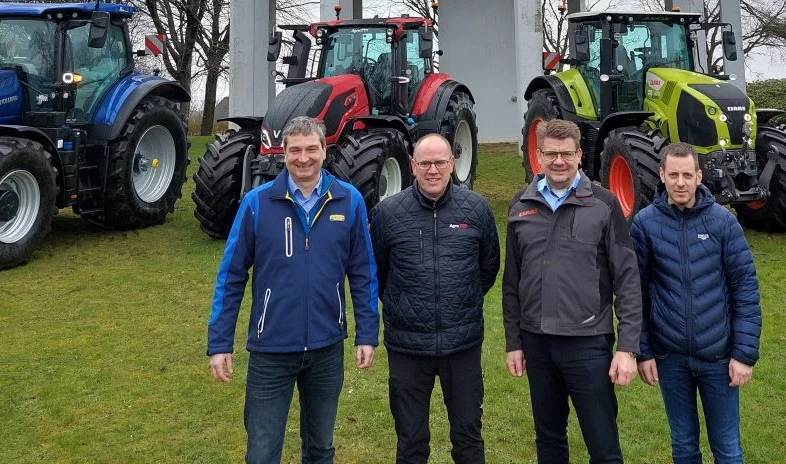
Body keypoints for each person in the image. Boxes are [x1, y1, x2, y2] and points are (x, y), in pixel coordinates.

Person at [207, 115, 379, 464]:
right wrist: (220, 342)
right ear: (283, 153)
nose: (304, 158)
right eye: (295, 150)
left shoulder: (349, 201)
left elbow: (363, 272)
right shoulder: (257, 203)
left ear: (324, 150)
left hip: (327, 348)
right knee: (262, 451)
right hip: (270, 350)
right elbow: (231, 275)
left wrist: (367, 334)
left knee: (320, 448)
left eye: (311, 149)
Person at [502, 118, 642, 464]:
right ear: (539, 155)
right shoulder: (522, 204)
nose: (559, 161)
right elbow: (511, 283)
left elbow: (627, 278)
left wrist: (627, 347)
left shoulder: (603, 204)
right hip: (537, 342)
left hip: (588, 342)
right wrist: (514, 343)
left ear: (580, 154)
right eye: (551, 154)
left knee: (603, 443)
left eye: (566, 153)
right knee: (549, 440)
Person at [370, 133, 501, 464]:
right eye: (425, 163)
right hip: (408, 347)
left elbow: (488, 269)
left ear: (452, 163)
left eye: (440, 162)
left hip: (462, 345)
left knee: (468, 436)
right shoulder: (387, 214)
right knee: (411, 440)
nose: (433, 170)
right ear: (412, 166)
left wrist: (460, 300)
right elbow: (380, 273)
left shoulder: (477, 208)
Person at [631, 141, 762, 464]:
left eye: (687, 175)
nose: (680, 182)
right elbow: (637, 293)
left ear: (699, 176)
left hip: (719, 357)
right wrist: (643, 351)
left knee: (728, 449)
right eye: (673, 175)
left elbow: (745, 289)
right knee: (684, 446)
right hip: (670, 357)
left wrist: (743, 355)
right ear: (661, 175)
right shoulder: (645, 224)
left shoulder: (723, 223)